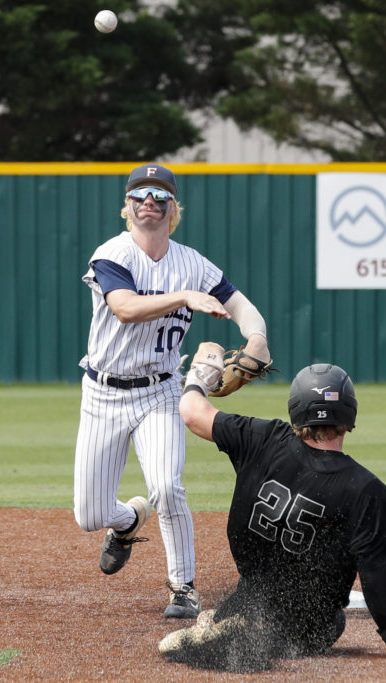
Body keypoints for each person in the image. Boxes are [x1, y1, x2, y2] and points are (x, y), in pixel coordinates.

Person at [157, 355, 386, 672]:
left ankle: (228, 627)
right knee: (333, 620)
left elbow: (191, 413)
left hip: (248, 600)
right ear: (349, 412)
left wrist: (199, 374)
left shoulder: (264, 438)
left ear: (296, 407)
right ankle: (252, 639)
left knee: (238, 611)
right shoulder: (365, 487)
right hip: (311, 625)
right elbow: (373, 576)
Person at [73, 162, 272, 620]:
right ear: (126, 206)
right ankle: (126, 523)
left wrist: (257, 339)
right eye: (139, 194)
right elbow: (123, 307)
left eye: (159, 196)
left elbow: (243, 308)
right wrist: (184, 297)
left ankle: (183, 587)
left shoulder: (192, 263)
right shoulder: (112, 254)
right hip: (103, 393)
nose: (149, 202)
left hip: (160, 391)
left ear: (172, 209)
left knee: (167, 485)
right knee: (89, 514)